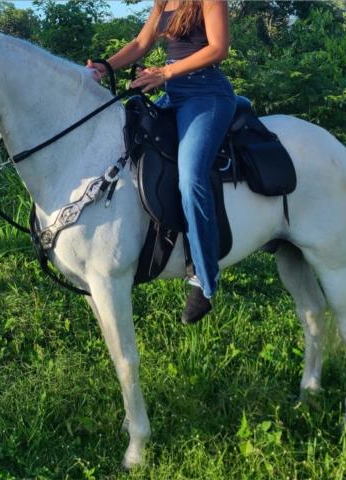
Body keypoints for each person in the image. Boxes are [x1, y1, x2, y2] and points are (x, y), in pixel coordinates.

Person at [87, 0, 240, 324]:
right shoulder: (164, 3)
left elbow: (219, 48)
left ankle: (204, 276)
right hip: (173, 94)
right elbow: (142, 44)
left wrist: (165, 71)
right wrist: (105, 67)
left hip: (207, 96)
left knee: (191, 176)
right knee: (129, 147)